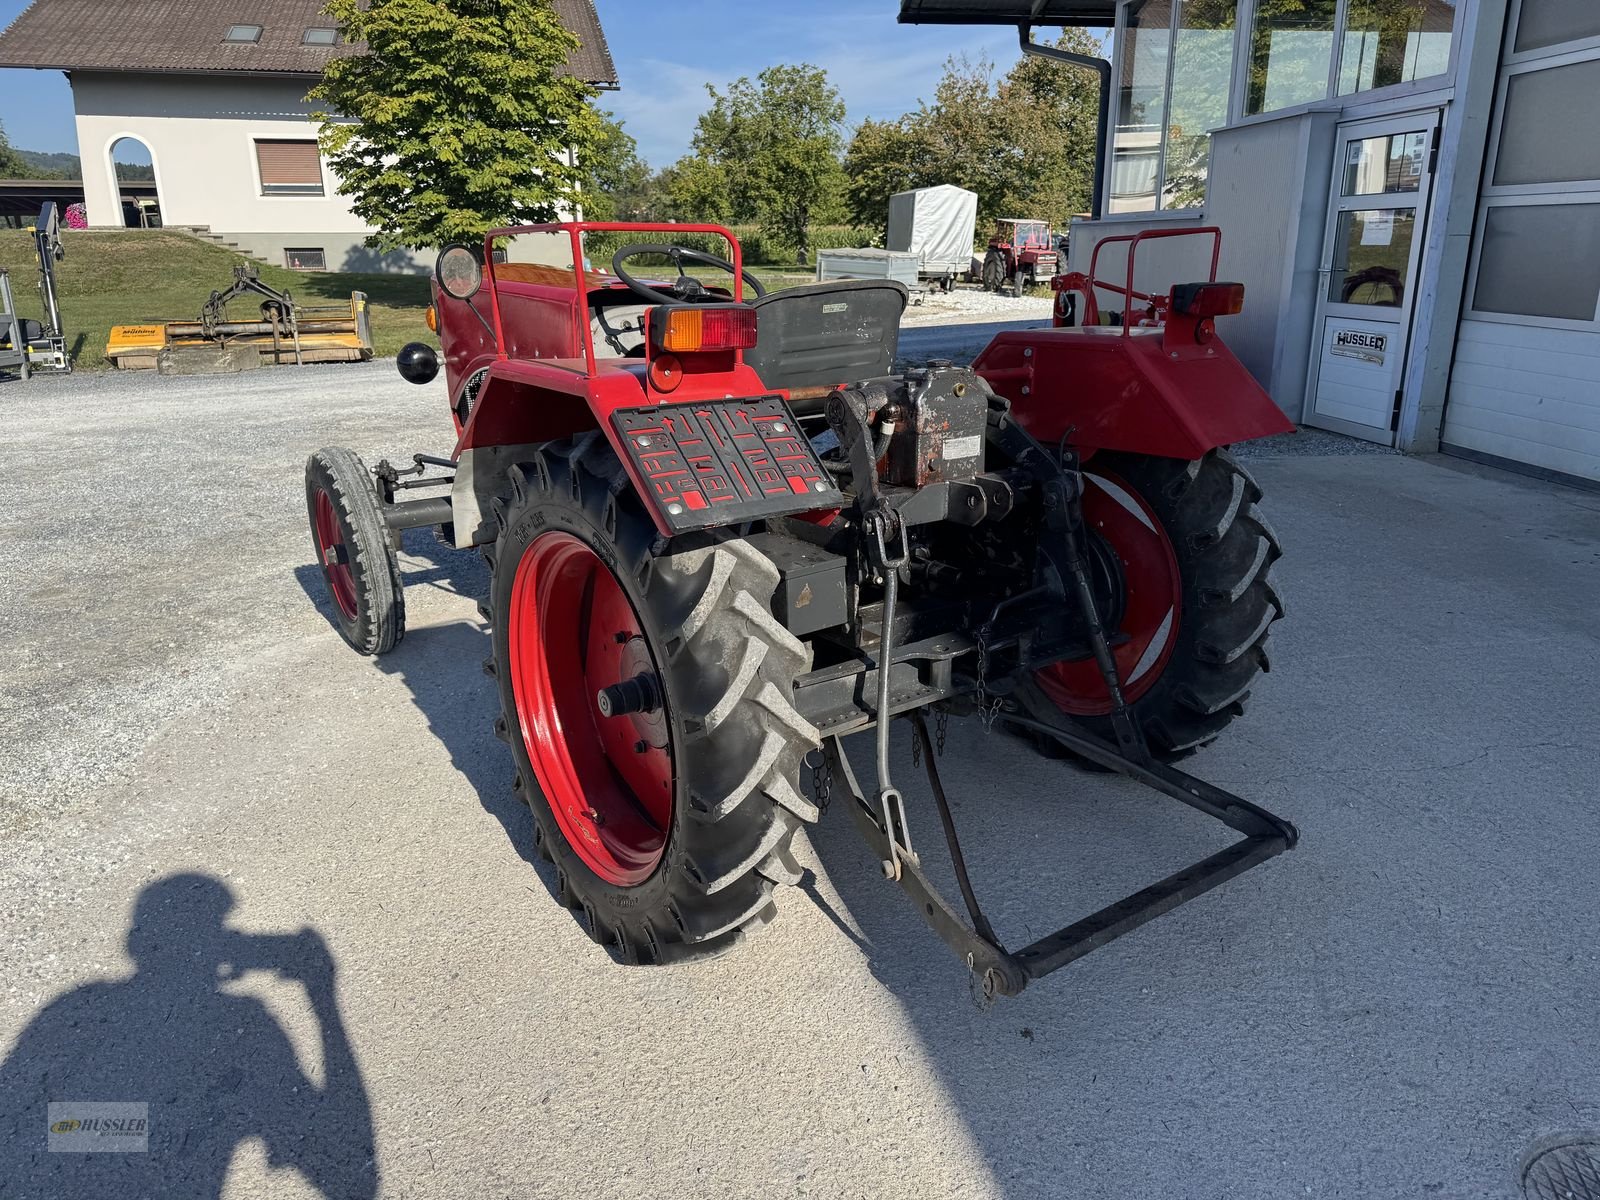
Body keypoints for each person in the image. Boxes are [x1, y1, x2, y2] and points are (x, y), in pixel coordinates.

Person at [0, 874, 377, 1199]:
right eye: (222, 932)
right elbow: (351, 1177)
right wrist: (323, 999)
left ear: (137, 940)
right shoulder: (245, 1020)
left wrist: (152, 1124)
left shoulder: (78, 1005)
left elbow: (42, 1128)